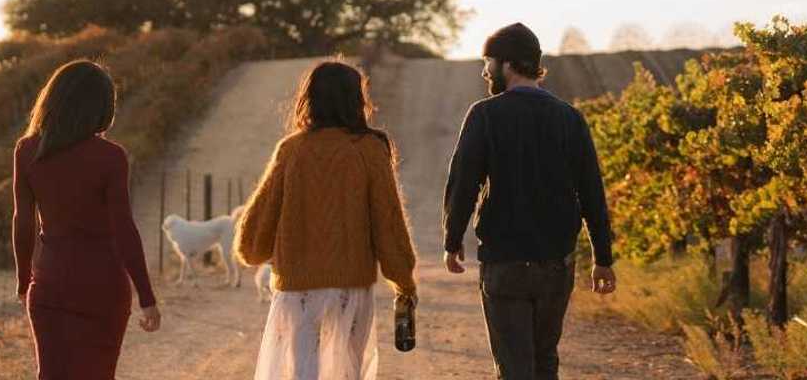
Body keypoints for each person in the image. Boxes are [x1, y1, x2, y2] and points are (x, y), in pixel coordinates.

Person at [442, 22, 617, 380]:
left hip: (504, 263)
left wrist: (452, 239)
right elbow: (591, 191)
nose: (484, 70)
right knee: (544, 360)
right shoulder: (569, 118)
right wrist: (603, 257)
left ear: (506, 64)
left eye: (487, 62)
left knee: (514, 366)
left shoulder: (485, 115)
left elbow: (464, 182)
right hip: (556, 263)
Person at [235, 61, 418, 380]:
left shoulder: (291, 149)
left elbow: (254, 237)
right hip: (351, 287)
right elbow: (387, 222)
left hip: (297, 291)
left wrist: (254, 249)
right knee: (347, 371)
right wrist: (403, 280)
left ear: (310, 98)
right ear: (356, 99)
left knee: (303, 372)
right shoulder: (369, 148)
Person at [12, 60, 161, 379]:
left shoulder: (27, 151)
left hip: (49, 285)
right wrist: (146, 297)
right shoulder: (110, 157)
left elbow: (22, 220)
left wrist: (24, 279)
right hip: (102, 289)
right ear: (102, 107)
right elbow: (124, 229)